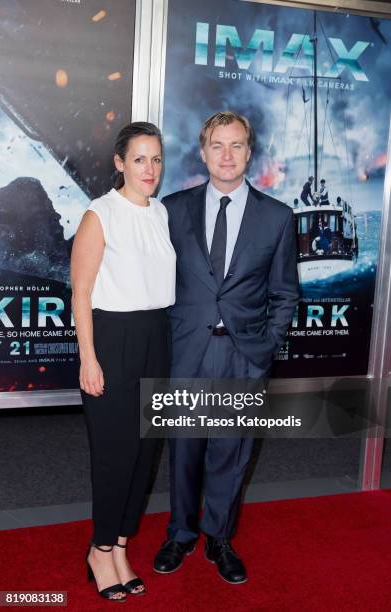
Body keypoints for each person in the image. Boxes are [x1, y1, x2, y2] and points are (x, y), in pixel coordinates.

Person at [153, 111, 299, 584]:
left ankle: (219, 536)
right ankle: (180, 534)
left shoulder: (277, 217)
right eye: (218, 145)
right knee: (184, 449)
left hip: (242, 354)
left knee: (230, 452)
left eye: (237, 145)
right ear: (203, 151)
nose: (227, 155)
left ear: (249, 152)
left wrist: (266, 346)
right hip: (186, 350)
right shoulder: (172, 209)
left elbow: (285, 292)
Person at [71, 122, 176, 601]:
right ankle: (98, 549)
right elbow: (82, 293)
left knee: (144, 454)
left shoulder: (161, 213)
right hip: (112, 339)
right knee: (115, 454)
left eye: (155, 159)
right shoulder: (100, 214)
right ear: (119, 163)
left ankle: (119, 546)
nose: (149, 169)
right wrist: (88, 359)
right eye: (139, 159)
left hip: (157, 335)